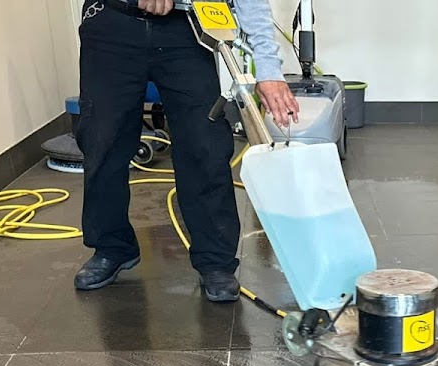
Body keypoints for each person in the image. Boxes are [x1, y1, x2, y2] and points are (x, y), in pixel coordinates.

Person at [73, 0, 299, 301]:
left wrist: (268, 68)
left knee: (204, 142)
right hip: (112, 22)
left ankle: (215, 260)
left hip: (185, 27)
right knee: (102, 140)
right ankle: (112, 247)